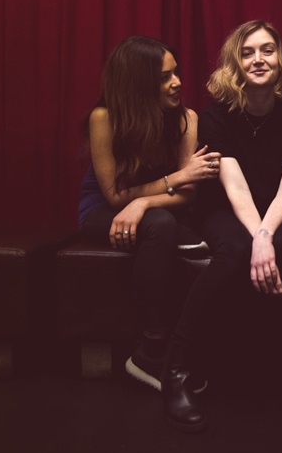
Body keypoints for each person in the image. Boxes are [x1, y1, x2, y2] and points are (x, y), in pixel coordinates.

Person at [161, 21, 282, 434]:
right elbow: (235, 187)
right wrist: (258, 239)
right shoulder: (215, 116)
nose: (258, 59)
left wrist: (267, 235)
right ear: (235, 63)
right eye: (247, 52)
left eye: (267, 50)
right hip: (226, 208)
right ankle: (177, 369)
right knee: (235, 250)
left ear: (280, 60)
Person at [78, 36, 221, 392]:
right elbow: (114, 196)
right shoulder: (104, 118)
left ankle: (185, 348)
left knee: (170, 225)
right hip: (101, 210)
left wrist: (142, 203)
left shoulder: (186, 118)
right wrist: (176, 179)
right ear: (138, 83)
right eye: (163, 78)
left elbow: (189, 194)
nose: (177, 83)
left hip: (158, 209)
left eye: (176, 73)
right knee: (161, 225)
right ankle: (152, 352)